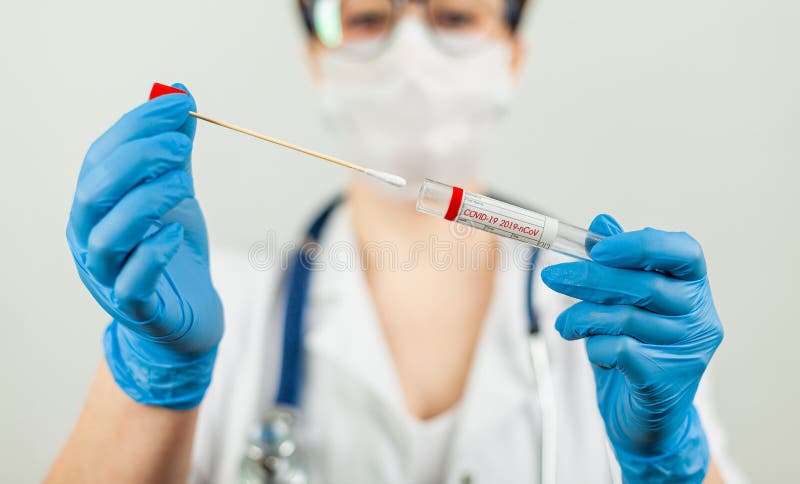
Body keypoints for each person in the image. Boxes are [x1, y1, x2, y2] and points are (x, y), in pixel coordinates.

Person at [47, 1, 744, 483]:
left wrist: (669, 464)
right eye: (368, 17)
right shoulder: (211, 310)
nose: (412, 55)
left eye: (456, 14)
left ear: (512, 55)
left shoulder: (622, 329)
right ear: (317, 58)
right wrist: (148, 379)